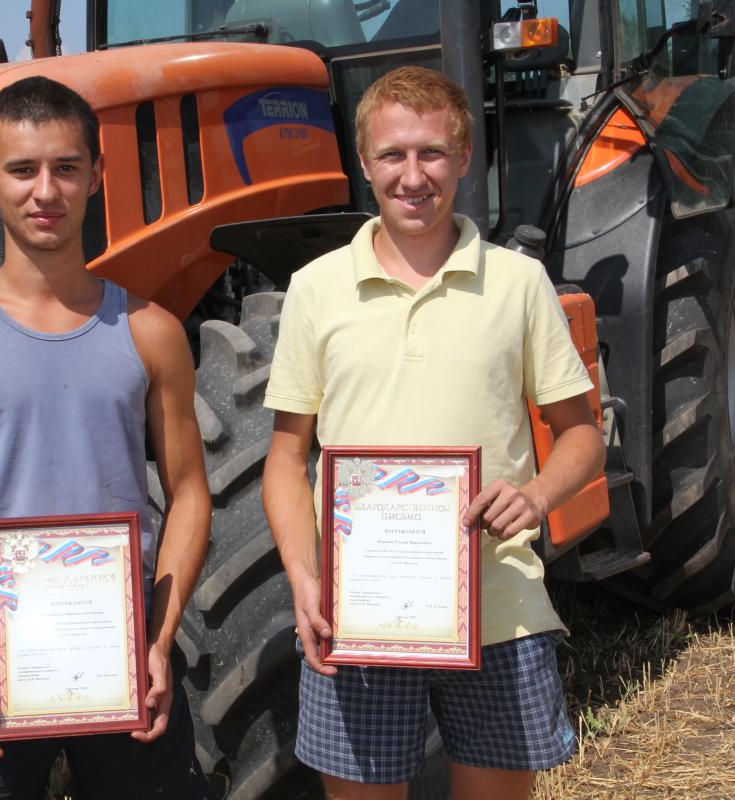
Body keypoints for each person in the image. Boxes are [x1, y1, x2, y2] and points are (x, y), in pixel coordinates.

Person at [262, 66, 606, 800]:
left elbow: (581, 433)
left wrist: (538, 496)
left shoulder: (519, 283)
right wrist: (304, 578)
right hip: (358, 615)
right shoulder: (316, 288)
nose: (412, 175)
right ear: (364, 163)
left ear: (465, 158)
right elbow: (287, 459)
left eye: (431, 153)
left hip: (498, 612)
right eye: (392, 155)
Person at [0, 76, 211, 799]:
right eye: (23, 169)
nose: (45, 191)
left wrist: (156, 639)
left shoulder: (151, 331)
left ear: (98, 174)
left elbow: (187, 495)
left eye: (65, 167)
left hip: (121, 645)